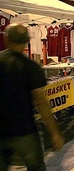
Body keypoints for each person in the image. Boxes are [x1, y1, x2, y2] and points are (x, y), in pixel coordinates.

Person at [0, 23, 64, 170]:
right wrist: (54, 132)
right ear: (27, 40)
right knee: (36, 167)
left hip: (1, 130)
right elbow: (41, 102)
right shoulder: (31, 67)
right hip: (25, 130)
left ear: (6, 39)